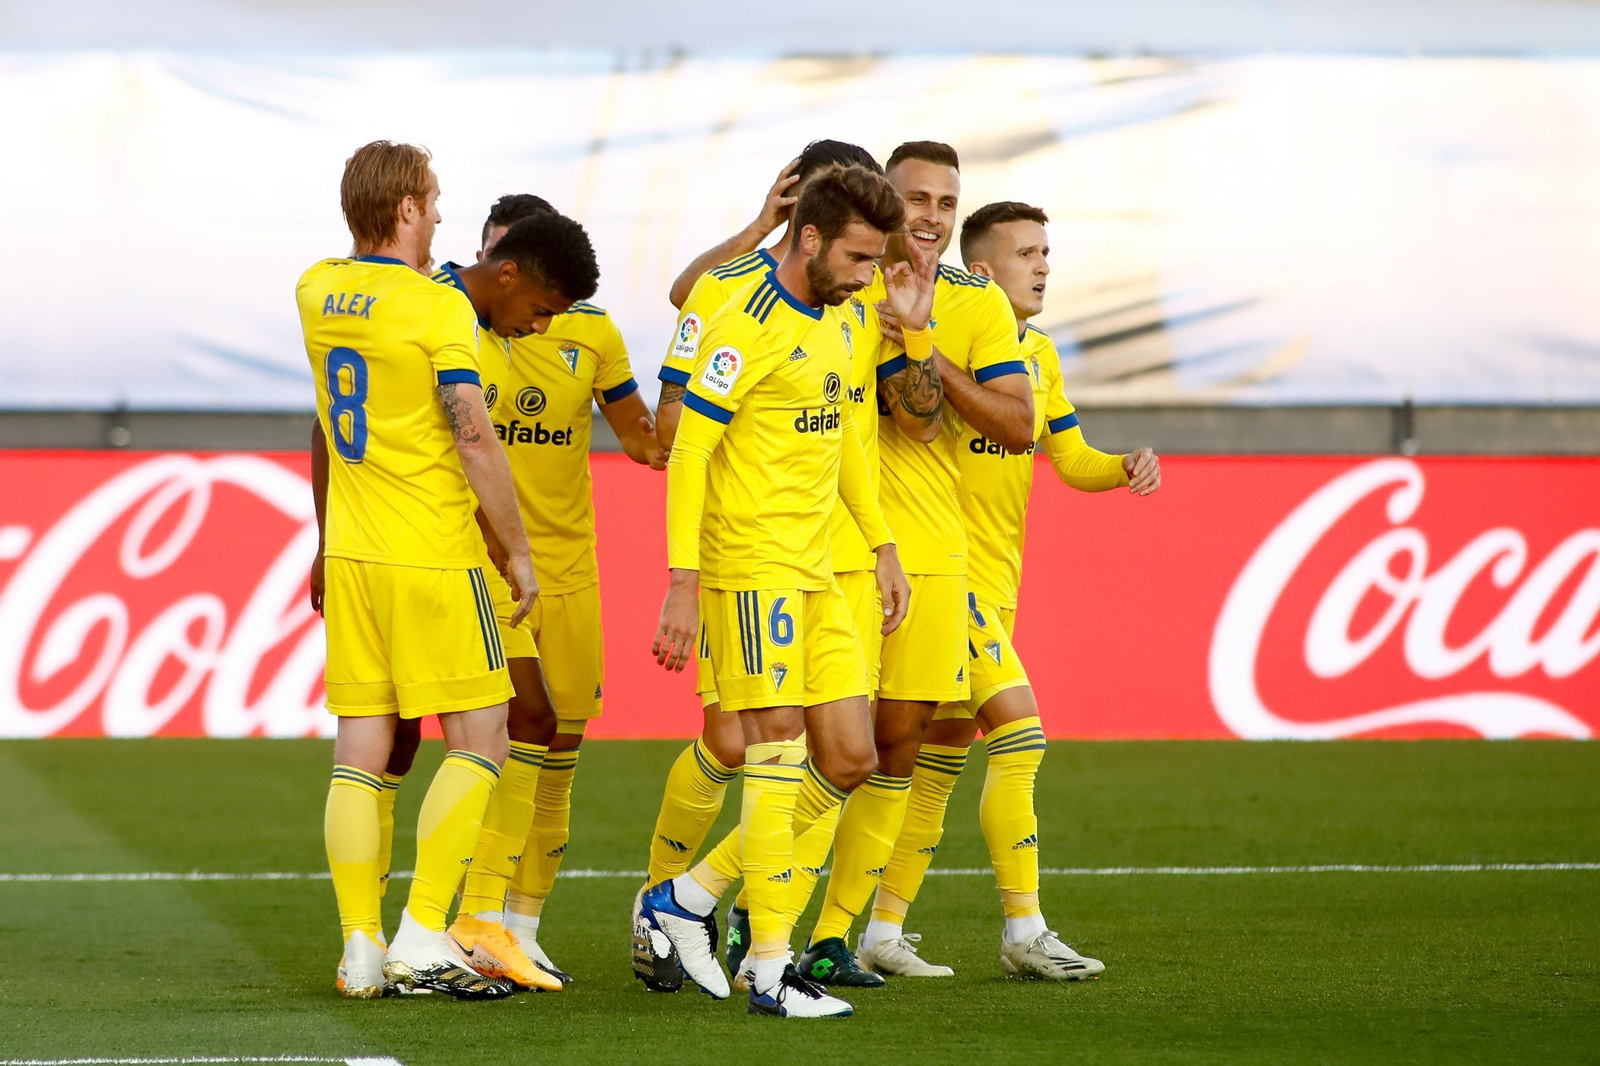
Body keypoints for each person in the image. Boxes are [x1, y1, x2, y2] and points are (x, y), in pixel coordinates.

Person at [640, 164, 917, 1018]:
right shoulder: (742, 321)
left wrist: (881, 543)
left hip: (820, 569)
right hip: (750, 563)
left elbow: (845, 446)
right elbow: (687, 453)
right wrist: (683, 584)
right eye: (859, 258)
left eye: (875, 260)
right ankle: (771, 968)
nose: (869, 275)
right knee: (775, 748)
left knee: (849, 759)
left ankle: (685, 899)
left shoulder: (844, 321)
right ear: (809, 239)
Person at [869, 200, 1161, 980]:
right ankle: (1024, 928)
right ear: (985, 272)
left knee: (935, 763)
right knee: (1021, 736)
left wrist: (1121, 465)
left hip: (997, 583)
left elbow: (1068, 456)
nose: (1044, 266)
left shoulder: (1039, 355)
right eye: (1028, 253)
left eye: (1047, 252)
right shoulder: (939, 332)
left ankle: (877, 930)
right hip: (944, 573)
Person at [296, 140, 534, 1000]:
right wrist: (515, 549)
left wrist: (322, 540)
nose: (438, 215)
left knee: (360, 751)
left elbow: (324, 422)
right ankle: (424, 933)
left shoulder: (316, 290)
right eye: (431, 201)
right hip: (431, 550)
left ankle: (360, 944)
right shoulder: (436, 310)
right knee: (484, 738)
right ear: (404, 208)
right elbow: (472, 436)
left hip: (355, 550)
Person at [801, 141, 1037, 982]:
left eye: (947, 200)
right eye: (917, 199)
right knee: (803, 746)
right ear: (883, 204)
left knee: (896, 747)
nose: (932, 214)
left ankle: (831, 937)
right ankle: (726, 904)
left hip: (931, 554)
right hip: (827, 546)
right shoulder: (834, 286)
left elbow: (1006, 426)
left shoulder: (977, 306)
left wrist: (921, 338)